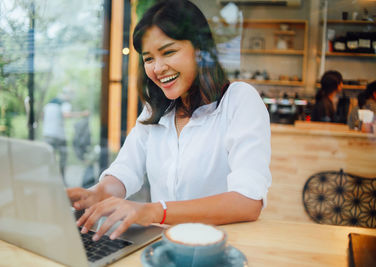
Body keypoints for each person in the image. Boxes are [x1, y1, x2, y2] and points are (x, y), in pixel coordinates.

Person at [67, 0, 271, 241]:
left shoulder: (239, 101)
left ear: (200, 49)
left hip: (219, 248)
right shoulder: (155, 110)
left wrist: (153, 210)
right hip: (163, 249)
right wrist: (97, 194)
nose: (158, 68)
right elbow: (125, 170)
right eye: (148, 58)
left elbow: (247, 202)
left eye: (169, 52)